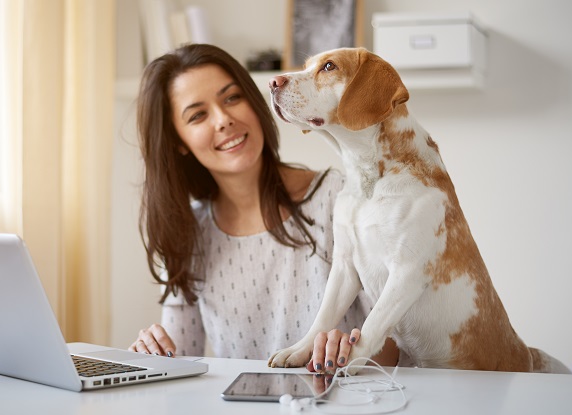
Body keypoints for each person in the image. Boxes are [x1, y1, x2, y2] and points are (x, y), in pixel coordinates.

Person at [128, 43, 400, 373]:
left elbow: (401, 349)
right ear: (178, 142)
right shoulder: (187, 233)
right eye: (198, 115)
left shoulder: (337, 197)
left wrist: (355, 349)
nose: (224, 120)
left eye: (232, 98)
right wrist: (152, 354)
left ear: (255, 104)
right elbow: (179, 362)